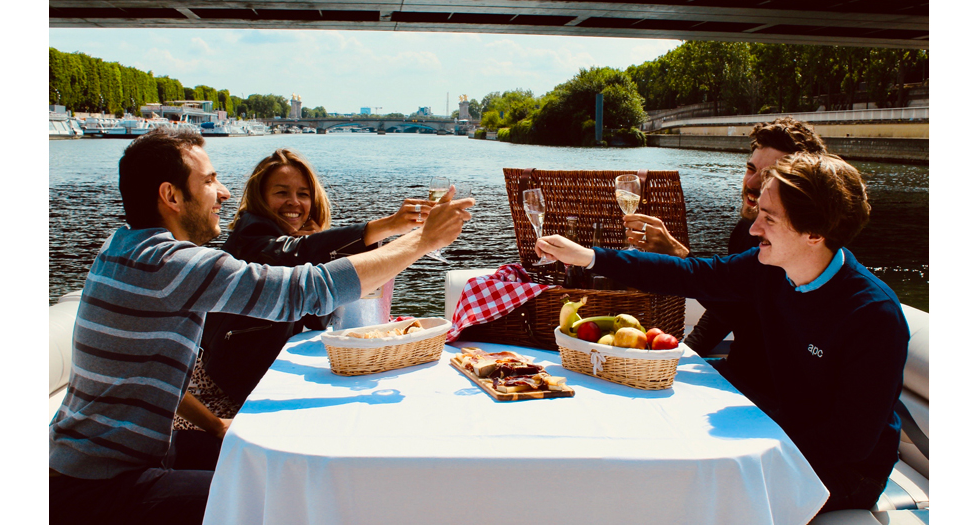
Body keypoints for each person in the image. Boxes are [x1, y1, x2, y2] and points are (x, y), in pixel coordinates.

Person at [48, 128, 473, 525]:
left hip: (82, 465)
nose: (224, 193)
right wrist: (422, 241)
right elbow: (304, 289)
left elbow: (150, 371)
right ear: (171, 195)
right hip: (101, 487)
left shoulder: (121, 246)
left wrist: (216, 426)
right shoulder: (172, 264)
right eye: (211, 180)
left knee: (277, 463)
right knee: (285, 500)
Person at [536, 152, 908, 513]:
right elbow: (692, 274)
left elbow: (848, 443)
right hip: (780, 429)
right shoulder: (771, 269)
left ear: (814, 233)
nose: (753, 228)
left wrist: (734, 448)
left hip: (844, 474)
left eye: (769, 218)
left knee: (680, 491)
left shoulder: (873, 316)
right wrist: (590, 257)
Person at [172, 148, 434, 431]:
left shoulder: (297, 242)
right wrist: (392, 226)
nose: (294, 203)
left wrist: (317, 248)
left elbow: (314, 314)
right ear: (261, 197)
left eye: (303, 194)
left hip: (257, 382)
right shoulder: (249, 237)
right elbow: (288, 255)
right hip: (218, 399)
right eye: (281, 192)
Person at [623, 116, 827, 409]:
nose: (753, 184)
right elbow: (729, 304)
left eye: (770, 175)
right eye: (751, 169)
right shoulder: (746, 231)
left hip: (765, 398)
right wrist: (686, 354)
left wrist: (679, 256)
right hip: (736, 375)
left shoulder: (805, 252)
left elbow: (757, 321)